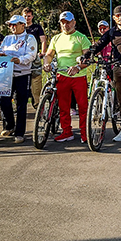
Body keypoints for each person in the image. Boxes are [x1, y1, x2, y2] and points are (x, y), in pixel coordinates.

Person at [85, 6, 121, 143]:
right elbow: (100, 44)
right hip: (117, 68)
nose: (120, 18)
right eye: (117, 16)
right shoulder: (112, 32)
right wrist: (88, 54)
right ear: (113, 18)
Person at [43, 11, 92, 143]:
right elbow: (49, 54)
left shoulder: (81, 38)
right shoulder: (56, 38)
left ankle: (85, 132)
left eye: (68, 22)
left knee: (82, 106)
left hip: (78, 77)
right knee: (63, 107)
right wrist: (46, 64)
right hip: (62, 75)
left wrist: (78, 67)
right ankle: (66, 132)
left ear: (74, 22)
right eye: (63, 23)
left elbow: (87, 58)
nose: (66, 25)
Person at [0, 14, 39, 143]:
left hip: (22, 74)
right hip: (7, 74)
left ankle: (20, 132)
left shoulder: (29, 38)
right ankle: (9, 125)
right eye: (10, 25)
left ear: (22, 25)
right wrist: (0, 55)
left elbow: (32, 54)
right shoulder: (7, 39)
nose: (12, 27)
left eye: (15, 24)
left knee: (21, 104)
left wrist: (20, 60)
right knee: (4, 101)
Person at [23, 7, 48, 107]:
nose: (27, 18)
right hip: (22, 57)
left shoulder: (37, 27)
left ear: (32, 16)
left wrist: (43, 52)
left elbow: (43, 40)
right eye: (25, 16)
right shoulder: (20, 27)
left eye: (29, 16)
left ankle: (37, 103)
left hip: (34, 57)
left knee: (36, 80)